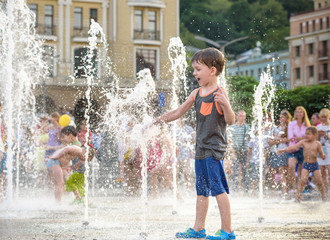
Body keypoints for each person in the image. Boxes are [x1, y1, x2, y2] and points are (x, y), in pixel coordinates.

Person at [154, 48, 236, 240]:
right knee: (202, 189)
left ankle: (228, 231)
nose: (194, 73)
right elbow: (177, 112)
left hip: (214, 148)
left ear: (212, 70)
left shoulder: (219, 93)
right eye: (194, 69)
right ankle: (198, 228)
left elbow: (231, 120)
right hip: (200, 148)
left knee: (218, 188)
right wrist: (158, 120)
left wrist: (226, 104)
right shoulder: (197, 93)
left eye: (198, 69)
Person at [278, 127, 326, 202]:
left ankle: (323, 195)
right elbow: (294, 147)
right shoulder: (303, 142)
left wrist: (323, 156)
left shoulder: (317, 143)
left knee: (319, 180)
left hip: (315, 164)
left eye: (308, 134)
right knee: (303, 180)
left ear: (314, 135)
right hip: (306, 164)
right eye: (305, 134)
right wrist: (283, 150)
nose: (306, 135)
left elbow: (320, 153)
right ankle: (298, 195)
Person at [287, 106, 310, 194]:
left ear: (304, 114)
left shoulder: (307, 125)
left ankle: (301, 188)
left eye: (301, 112)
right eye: (298, 112)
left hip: (304, 149)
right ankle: (293, 187)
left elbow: (309, 138)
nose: (299, 114)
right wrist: (302, 138)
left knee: (302, 170)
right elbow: (291, 138)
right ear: (295, 114)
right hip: (293, 148)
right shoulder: (291, 124)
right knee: (291, 167)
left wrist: (299, 138)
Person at [229, 110, 250, 191]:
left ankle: (246, 189)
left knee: (245, 170)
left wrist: (248, 153)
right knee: (235, 170)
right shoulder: (232, 127)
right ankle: (234, 188)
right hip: (235, 151)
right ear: (236, 116)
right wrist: (232, 152)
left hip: (244, 150)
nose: (242, 118)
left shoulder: (247, 127)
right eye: (240, 116)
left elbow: (249, 140)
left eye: (243, 116)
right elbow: (229, 141)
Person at [273, 110, 292, 197]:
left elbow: (289, 140)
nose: (281, 119)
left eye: (282, 117)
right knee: (281, 170)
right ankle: (284, 191)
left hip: (288, 150)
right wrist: (282, 140)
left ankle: (287, 189)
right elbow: (275, 140)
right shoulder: (278, 128)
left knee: (286, 171)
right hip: (280, 150)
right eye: (280, 117)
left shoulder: (289, 127)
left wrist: (280, 139)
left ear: (286, 118)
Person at [246, 130, 266, 194]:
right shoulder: (253, 139)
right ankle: (253, 190)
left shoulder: (263, 139)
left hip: (261, 161)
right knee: (254, 176)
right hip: (254, 161)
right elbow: (249, 151)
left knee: (262, 177)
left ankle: (261, 191)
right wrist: (247, 161)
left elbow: (264, 152)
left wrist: (265, 161)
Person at [317, 108, 330, 193]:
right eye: (321, 117)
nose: (323, 119)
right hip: (321, 150)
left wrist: (326, 134)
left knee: (329, 170)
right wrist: (318, 135)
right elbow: (315, 140)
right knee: (322, 171)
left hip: (329, 150)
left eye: (325, 117)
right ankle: (325, 189)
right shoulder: (318, 127)